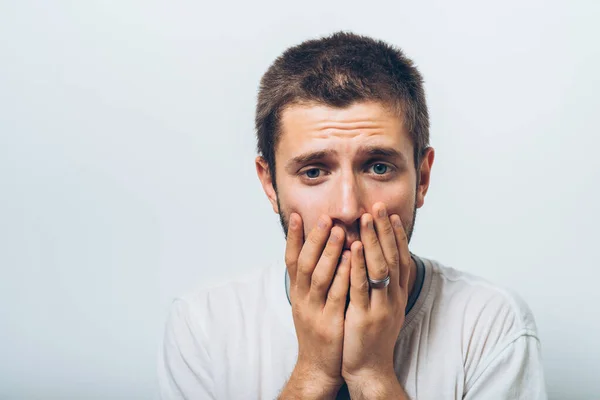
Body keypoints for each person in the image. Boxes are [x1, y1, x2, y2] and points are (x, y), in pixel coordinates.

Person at [158, 31, 547, 399]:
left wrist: (371, 375)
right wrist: (313, 373)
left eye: (378, 167)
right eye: (314, 172)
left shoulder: (491, 325)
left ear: (422, 178)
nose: (348, 208)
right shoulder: (204, 325)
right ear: (270, 185)